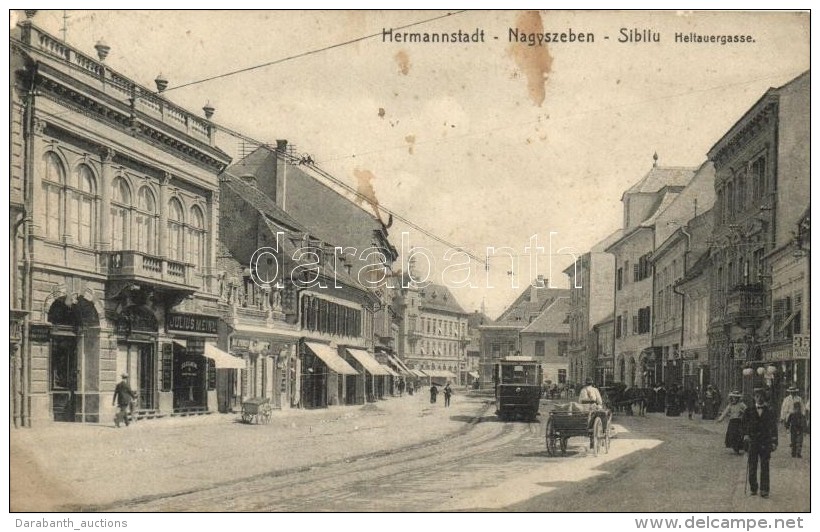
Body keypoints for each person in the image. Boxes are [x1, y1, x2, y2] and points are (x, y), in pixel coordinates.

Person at [742, 389, 778, 498]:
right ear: (754, 398)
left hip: (765, 442)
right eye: (757, 396)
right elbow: (743, 425)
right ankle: (753, 487)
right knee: (752, 465)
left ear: (764, 397)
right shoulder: (748, 411)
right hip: (753, 442)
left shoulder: (770, 411)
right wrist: (745, 435)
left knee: (765, 466)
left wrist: (774, 441)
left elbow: (773, 427)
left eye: (761, 396)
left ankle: (764, 489)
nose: (759, 398)